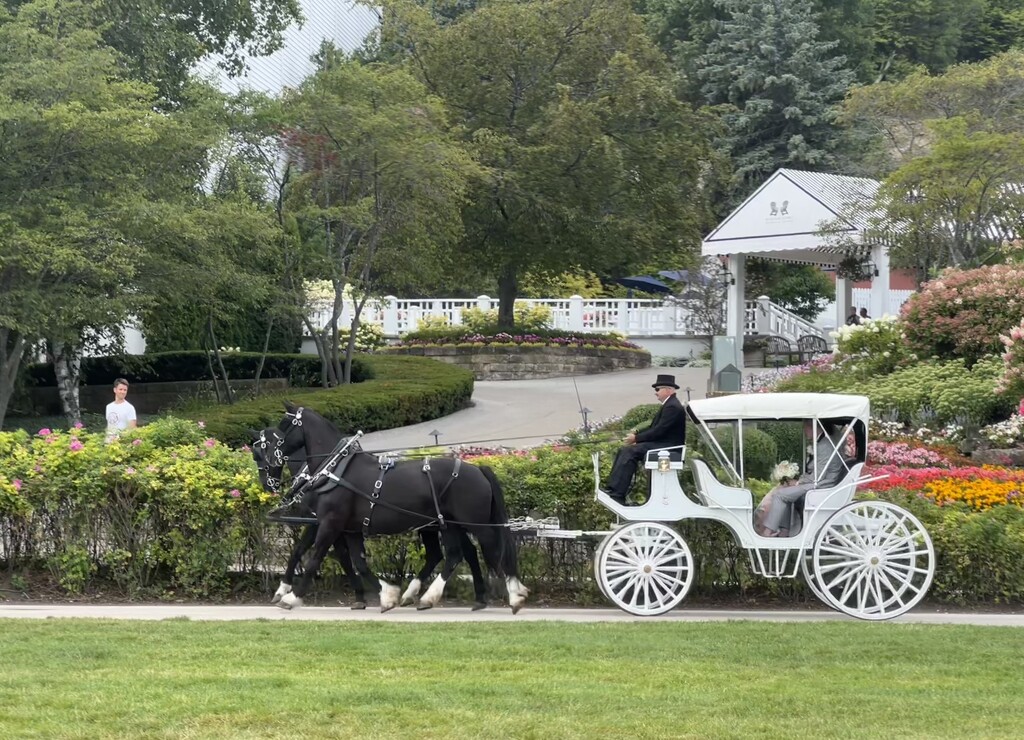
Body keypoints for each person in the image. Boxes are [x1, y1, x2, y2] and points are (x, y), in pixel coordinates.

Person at [605, 374, 687, 505]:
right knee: (625, 450)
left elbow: (659, 430)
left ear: (668, 390)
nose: (656, 393)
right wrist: (636, 437)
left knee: (630, 452)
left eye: (657, 389)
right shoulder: (670, 405)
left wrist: (637, 438)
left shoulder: (672, 407)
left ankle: (617, 493)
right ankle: (613, 489)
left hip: (668, 447)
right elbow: (653, 428)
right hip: (663, 444)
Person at [758, 421, 847, 537]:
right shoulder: (822, 443)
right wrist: (796, 481)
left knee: (779, 495)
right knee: (784, 493)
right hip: (818, 481)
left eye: (806, 428)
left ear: (814, 428)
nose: (805, 431)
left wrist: (798, 482)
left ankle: (768, 531)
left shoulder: (824, 446)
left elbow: (817, 476)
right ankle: (784, 531)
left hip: (823, 485)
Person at [105, 377, 137, 442]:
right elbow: (109, 425)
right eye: (120, 389)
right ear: (115, 390)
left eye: (125, 390)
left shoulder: (129, 408)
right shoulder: (108, 407)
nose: (123, 392)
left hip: (122, 444)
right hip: (108, 444)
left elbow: (132, 429)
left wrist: (121, 438)